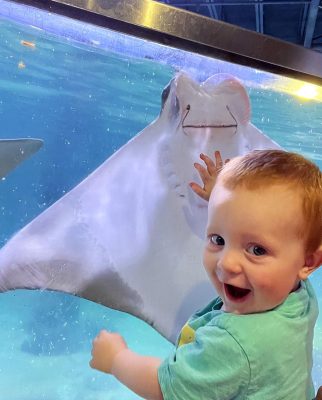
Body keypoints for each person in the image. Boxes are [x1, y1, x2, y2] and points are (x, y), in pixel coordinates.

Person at [90, 149, 322, 399]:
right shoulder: (298, 291)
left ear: (308, 262)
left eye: (257, 249)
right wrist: (222, 198)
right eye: (218, 239)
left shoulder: (232, 344)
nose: (227, 263)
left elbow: (164, 389)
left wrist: (116, 359)